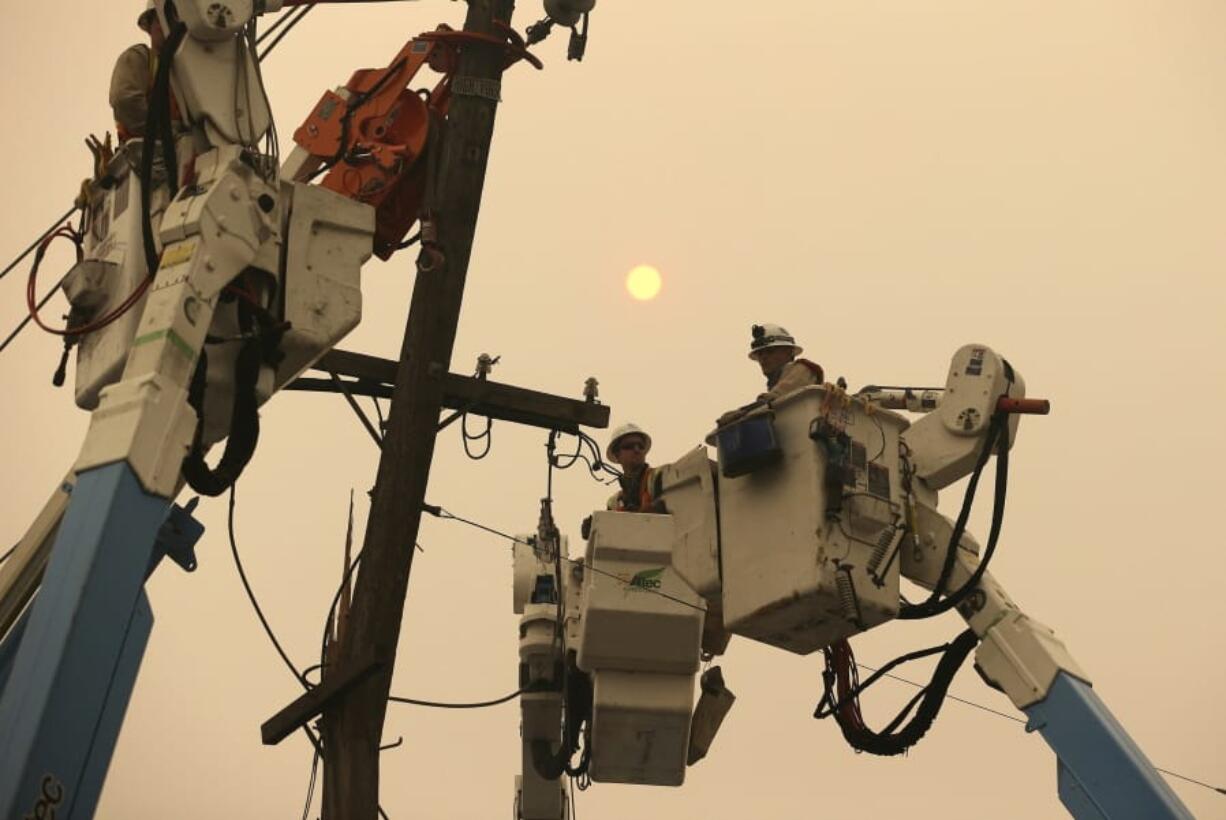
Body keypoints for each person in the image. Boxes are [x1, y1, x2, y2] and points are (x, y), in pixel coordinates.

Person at [718, 324, 825, 426]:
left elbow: (776, 396)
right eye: (760, 354)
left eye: (770, 351)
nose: (763, 358)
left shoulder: (803, 369)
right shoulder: (777, 383)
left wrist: (742, 412)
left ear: (789, 352)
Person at [110, 2, 168, 142]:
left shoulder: (192, 70)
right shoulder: (140, 58)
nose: (166, 26)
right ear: (150, 27)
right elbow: (125, 101)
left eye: (171, 18)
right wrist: (167, 133)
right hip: (152, 156)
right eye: (160, 19)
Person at [605, 423, 664, 513]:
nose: (637, 450)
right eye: (629, 446)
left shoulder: (658, 478)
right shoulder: (614, 503)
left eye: (641, 446)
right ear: (617, 455)